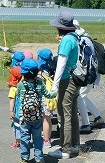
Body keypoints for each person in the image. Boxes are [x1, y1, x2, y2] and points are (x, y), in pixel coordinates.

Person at [48, 11, 80, 159]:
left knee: (64, 114)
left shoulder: (66, 40)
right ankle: (74, 145)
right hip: (76, 78)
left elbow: (61, 64)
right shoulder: (75, 36)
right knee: (72, 112)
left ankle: (65, 149)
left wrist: (55, 85)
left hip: (67, 80)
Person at [17, 58, 57, 163]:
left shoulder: (21, 85)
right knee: (38, 138)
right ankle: (39, 158)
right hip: (37, 116)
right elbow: (48, 95)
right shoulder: (40, 84)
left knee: (25, 138)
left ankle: (24, 158)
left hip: (24, 116)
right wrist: (55, 92)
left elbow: (18, 97)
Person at [73, 20, 104, 132]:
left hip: (87, 74)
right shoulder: (87, 38)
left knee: (79, 97)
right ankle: (98, 117)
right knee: (82, 96)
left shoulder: (81, 41)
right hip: (93, 72)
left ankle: (86, 125)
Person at [37, 48, 57, 148]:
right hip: (48, 100)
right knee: (48, 119)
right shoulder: (51, 71)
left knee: (41, 120)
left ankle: (42, 138)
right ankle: (47, 140)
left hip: (40, 100)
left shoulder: (38, 73)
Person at [8, 66, 22, 149]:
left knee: (17, 126)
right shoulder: (25, 85)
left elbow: (12, 100)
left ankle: (18, 142)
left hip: (17, 112)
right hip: (26, 110)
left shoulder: (13, 88)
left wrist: (11, 111)